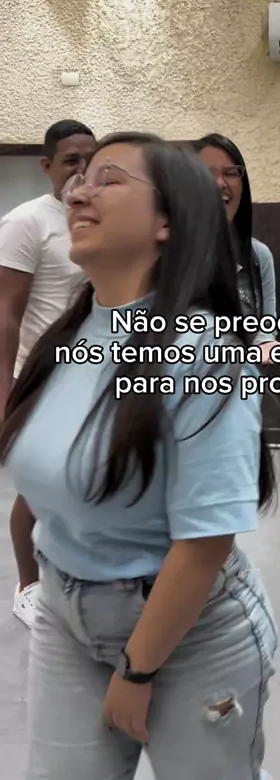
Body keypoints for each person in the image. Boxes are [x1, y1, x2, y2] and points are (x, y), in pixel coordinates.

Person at [0, 131, 278, 779]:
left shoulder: (205, 350)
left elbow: (205, 541)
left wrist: (138, 669)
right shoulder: (70, 333)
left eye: (109, 179)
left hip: (189, 632)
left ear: (166, 222)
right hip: (65, 613)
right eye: (79, 180)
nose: (78, 193)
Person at [0, 119, 96, 628]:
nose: (82, 169)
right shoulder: (27, 222)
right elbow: (6, 314)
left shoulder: (98, 218)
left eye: (90, 159)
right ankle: (28, 585)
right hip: (41, 381)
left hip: (95, 379)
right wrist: (4, 393)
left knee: (84, 482)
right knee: (37, 488)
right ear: (47, 166)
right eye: (70, 160)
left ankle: (72, 574)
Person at [194, 133, 280, 363]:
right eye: (207, 173)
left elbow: (265, 331)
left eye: (231, 173)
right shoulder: (168, 254)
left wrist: (265, 346)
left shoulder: (258, 255)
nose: (220, 183)